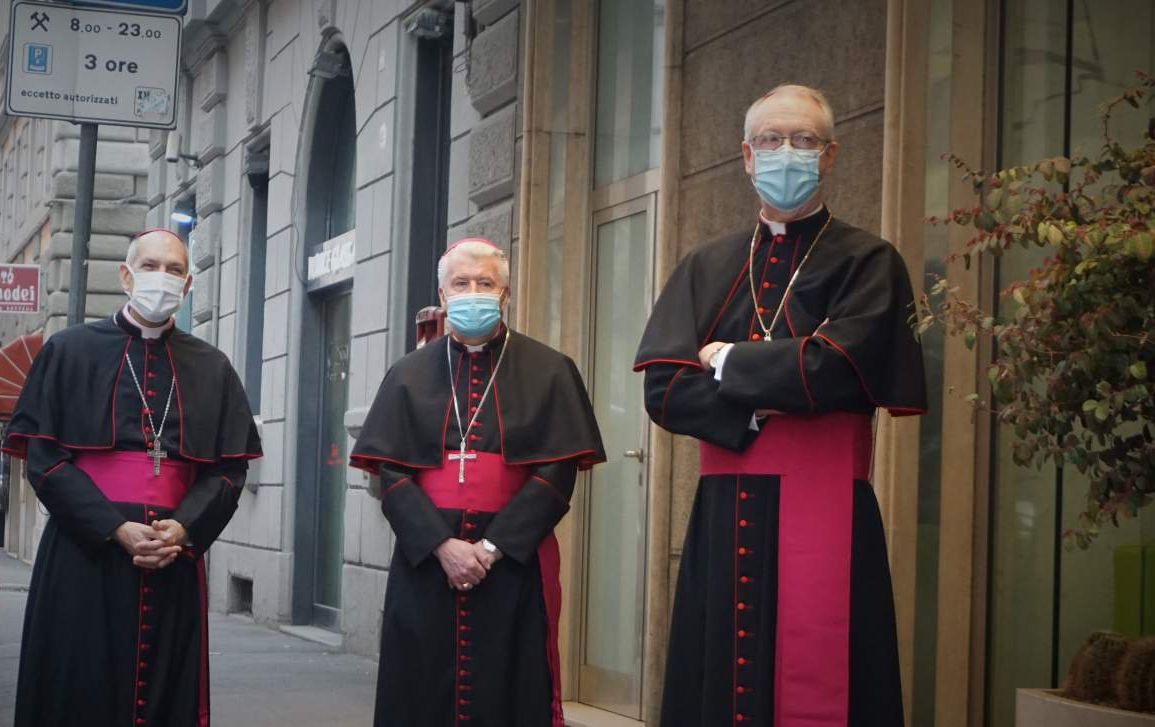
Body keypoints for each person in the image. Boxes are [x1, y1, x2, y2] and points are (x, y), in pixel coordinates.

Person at [634, 84, 927, 726]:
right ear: (745, 156)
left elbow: (836, 366)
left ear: (829, 155)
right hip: (723, 514)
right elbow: (663, 389)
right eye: (770, 140)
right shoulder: (705, 264)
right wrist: (761, 404)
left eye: (803, 140)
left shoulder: (869, 261)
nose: (785, 153)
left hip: (829, 508)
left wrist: (725, 360)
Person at [3, 228, 262, 727]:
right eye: (151, 267)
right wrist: (113, 528)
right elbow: (45, 460)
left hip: (171, 560)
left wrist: (184, 527)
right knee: (77, 690)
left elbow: (229, 471)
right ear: (126, 276)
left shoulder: (212, 367)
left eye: (174, 271)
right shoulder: (69, 351)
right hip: (84, 555)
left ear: (187, 289)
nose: (161, 279)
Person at [350, 238, 606, 727]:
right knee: (420, 692)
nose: (473, 292)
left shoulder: (550, 369)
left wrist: (490, 549)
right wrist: (443, 546)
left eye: (485, 283)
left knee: (514, 688)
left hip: (512, 564)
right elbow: (393, 474)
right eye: (461, 284)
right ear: (443, 297)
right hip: (425, 562)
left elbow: (556, 474)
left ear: (505, 294)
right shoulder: (407, 374)